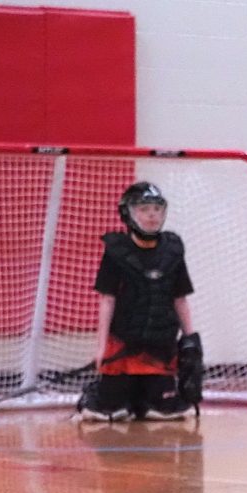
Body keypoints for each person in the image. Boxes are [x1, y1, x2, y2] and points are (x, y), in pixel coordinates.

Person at [76, 181, 202, 422]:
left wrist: (190, 340)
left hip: (160, 347)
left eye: (157, 209)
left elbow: (180, 299)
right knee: (110, 410)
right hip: (123, 345)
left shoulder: (173, 251)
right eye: (144, 209)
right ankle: (99, 394)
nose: (152, 215)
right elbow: (107, 300)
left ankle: (146, 395)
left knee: (165, 410)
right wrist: (101, 346)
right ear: (129, 214)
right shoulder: (116, 252)